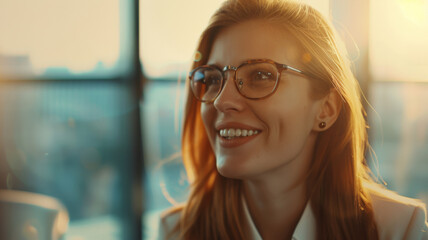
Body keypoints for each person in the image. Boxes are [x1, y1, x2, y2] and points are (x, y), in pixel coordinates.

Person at [158, 0, 428, 239]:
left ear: (327, 109)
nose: (221, 100)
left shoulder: (399, 230)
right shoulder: (177, 232)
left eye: (260, 76)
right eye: (213, 79)